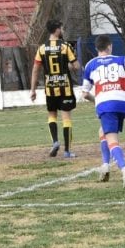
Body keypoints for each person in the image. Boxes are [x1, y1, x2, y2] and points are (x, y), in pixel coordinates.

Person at [81, 35, 125, 189]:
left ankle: (124, 168)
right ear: (110, 46)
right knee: (103, 131)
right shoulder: (120, 59)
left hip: (106, 105)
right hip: (123, 104)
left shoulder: (91, 64)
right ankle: (105, 165)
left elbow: (85, 94)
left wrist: (99, 100)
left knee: (112, 139)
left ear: (97, 48)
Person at [30, 19, 81, 158]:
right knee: (66, 118)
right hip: (65, 88)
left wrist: (33, 90)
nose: (63, 30)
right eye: (62, 28)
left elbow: (35, 70)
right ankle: (67, 151)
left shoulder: (41, 48)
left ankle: (55, 141)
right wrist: (69, 66)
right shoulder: (65, 46)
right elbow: (76, 66)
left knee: (52, 115)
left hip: (50, 88)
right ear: (57, 29)